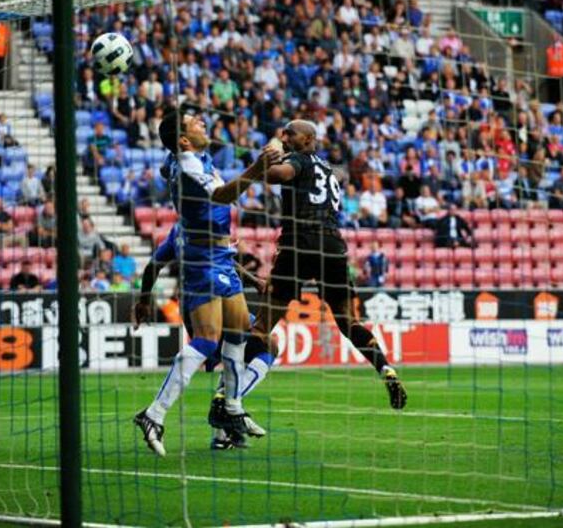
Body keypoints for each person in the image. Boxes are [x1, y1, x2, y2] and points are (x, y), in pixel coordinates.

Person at [133, 106, 281, 456]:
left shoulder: (188, 161)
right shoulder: (188, 163)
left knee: (240, 332)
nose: (202, 120)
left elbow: (171, 169)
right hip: (203, 262)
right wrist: (258, 169)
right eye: (193, 121)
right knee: (209, 340)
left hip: (221, 259)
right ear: (183, 139)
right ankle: (154, 414)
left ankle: (231, 408)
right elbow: (223, 195)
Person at [257, 119, 407, 411]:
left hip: (299, 244)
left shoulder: (298, 160)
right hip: (334, 249)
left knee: (262, 326)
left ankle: (226, 400)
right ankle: (386, 368)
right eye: (283, 132)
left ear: (308, 138)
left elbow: (276, 174)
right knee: (348, 322)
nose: (285, 135)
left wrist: (267, 156)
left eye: (291, 133)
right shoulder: (328, 169)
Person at [133, 224, 274, 450]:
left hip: (223, 292)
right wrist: (143, 300)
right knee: (213, 343)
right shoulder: (197, 224)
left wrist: (253, 280)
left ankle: (223, 422)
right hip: (204, 300)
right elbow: (154, 266)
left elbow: (224, 260)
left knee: (268, 344)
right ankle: (165, 412)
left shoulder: (196, 225)